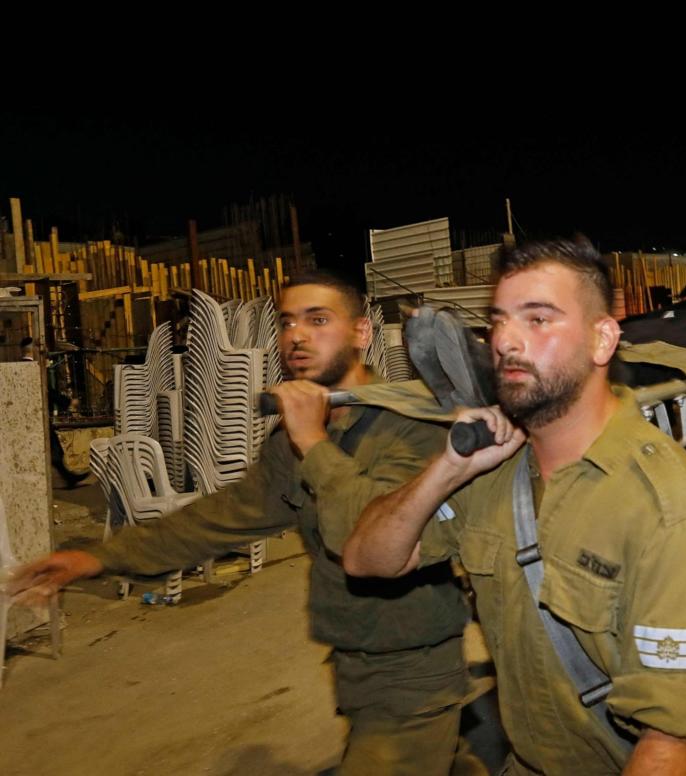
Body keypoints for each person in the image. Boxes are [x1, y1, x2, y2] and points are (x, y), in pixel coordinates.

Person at [9, 273, 474, 776]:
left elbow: (370, 541)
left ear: (361, 333)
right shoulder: (295, 437)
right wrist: (98, 556)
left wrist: (314, 444)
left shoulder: (414, 427)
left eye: (318, 320)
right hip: (355, 664)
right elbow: (222, 517)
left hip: (413, 671)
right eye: (287, 321)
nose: (296, 335)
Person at [344, 237, 686, 775]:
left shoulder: (664, 509)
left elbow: (672, 743)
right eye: (499, 320)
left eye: (539, 319)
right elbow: (367, 559)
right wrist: (447, 469)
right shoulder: (495, 467)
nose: (506, 341)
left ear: (602, 340)